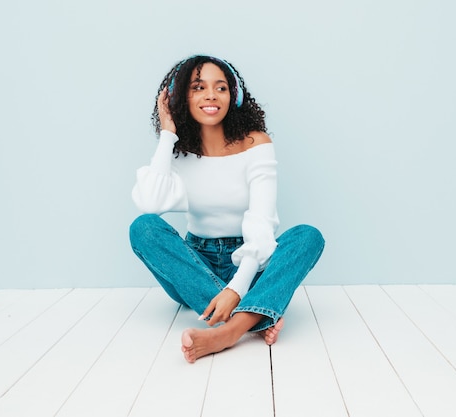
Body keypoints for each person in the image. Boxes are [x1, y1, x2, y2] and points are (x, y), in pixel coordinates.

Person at [129, 55, 325, 363]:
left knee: (308, 237)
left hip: (251, 260)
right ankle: (257, 316)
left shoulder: (256, 144)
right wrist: (168, 132)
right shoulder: (178, 154)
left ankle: (228, 331)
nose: (210, 95)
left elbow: (261, 224)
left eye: (220, 87)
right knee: (142, 228)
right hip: (194, 267)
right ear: (180, 97)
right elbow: (151, 203)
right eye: (198, 87)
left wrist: (236, 287)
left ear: (233, 96)